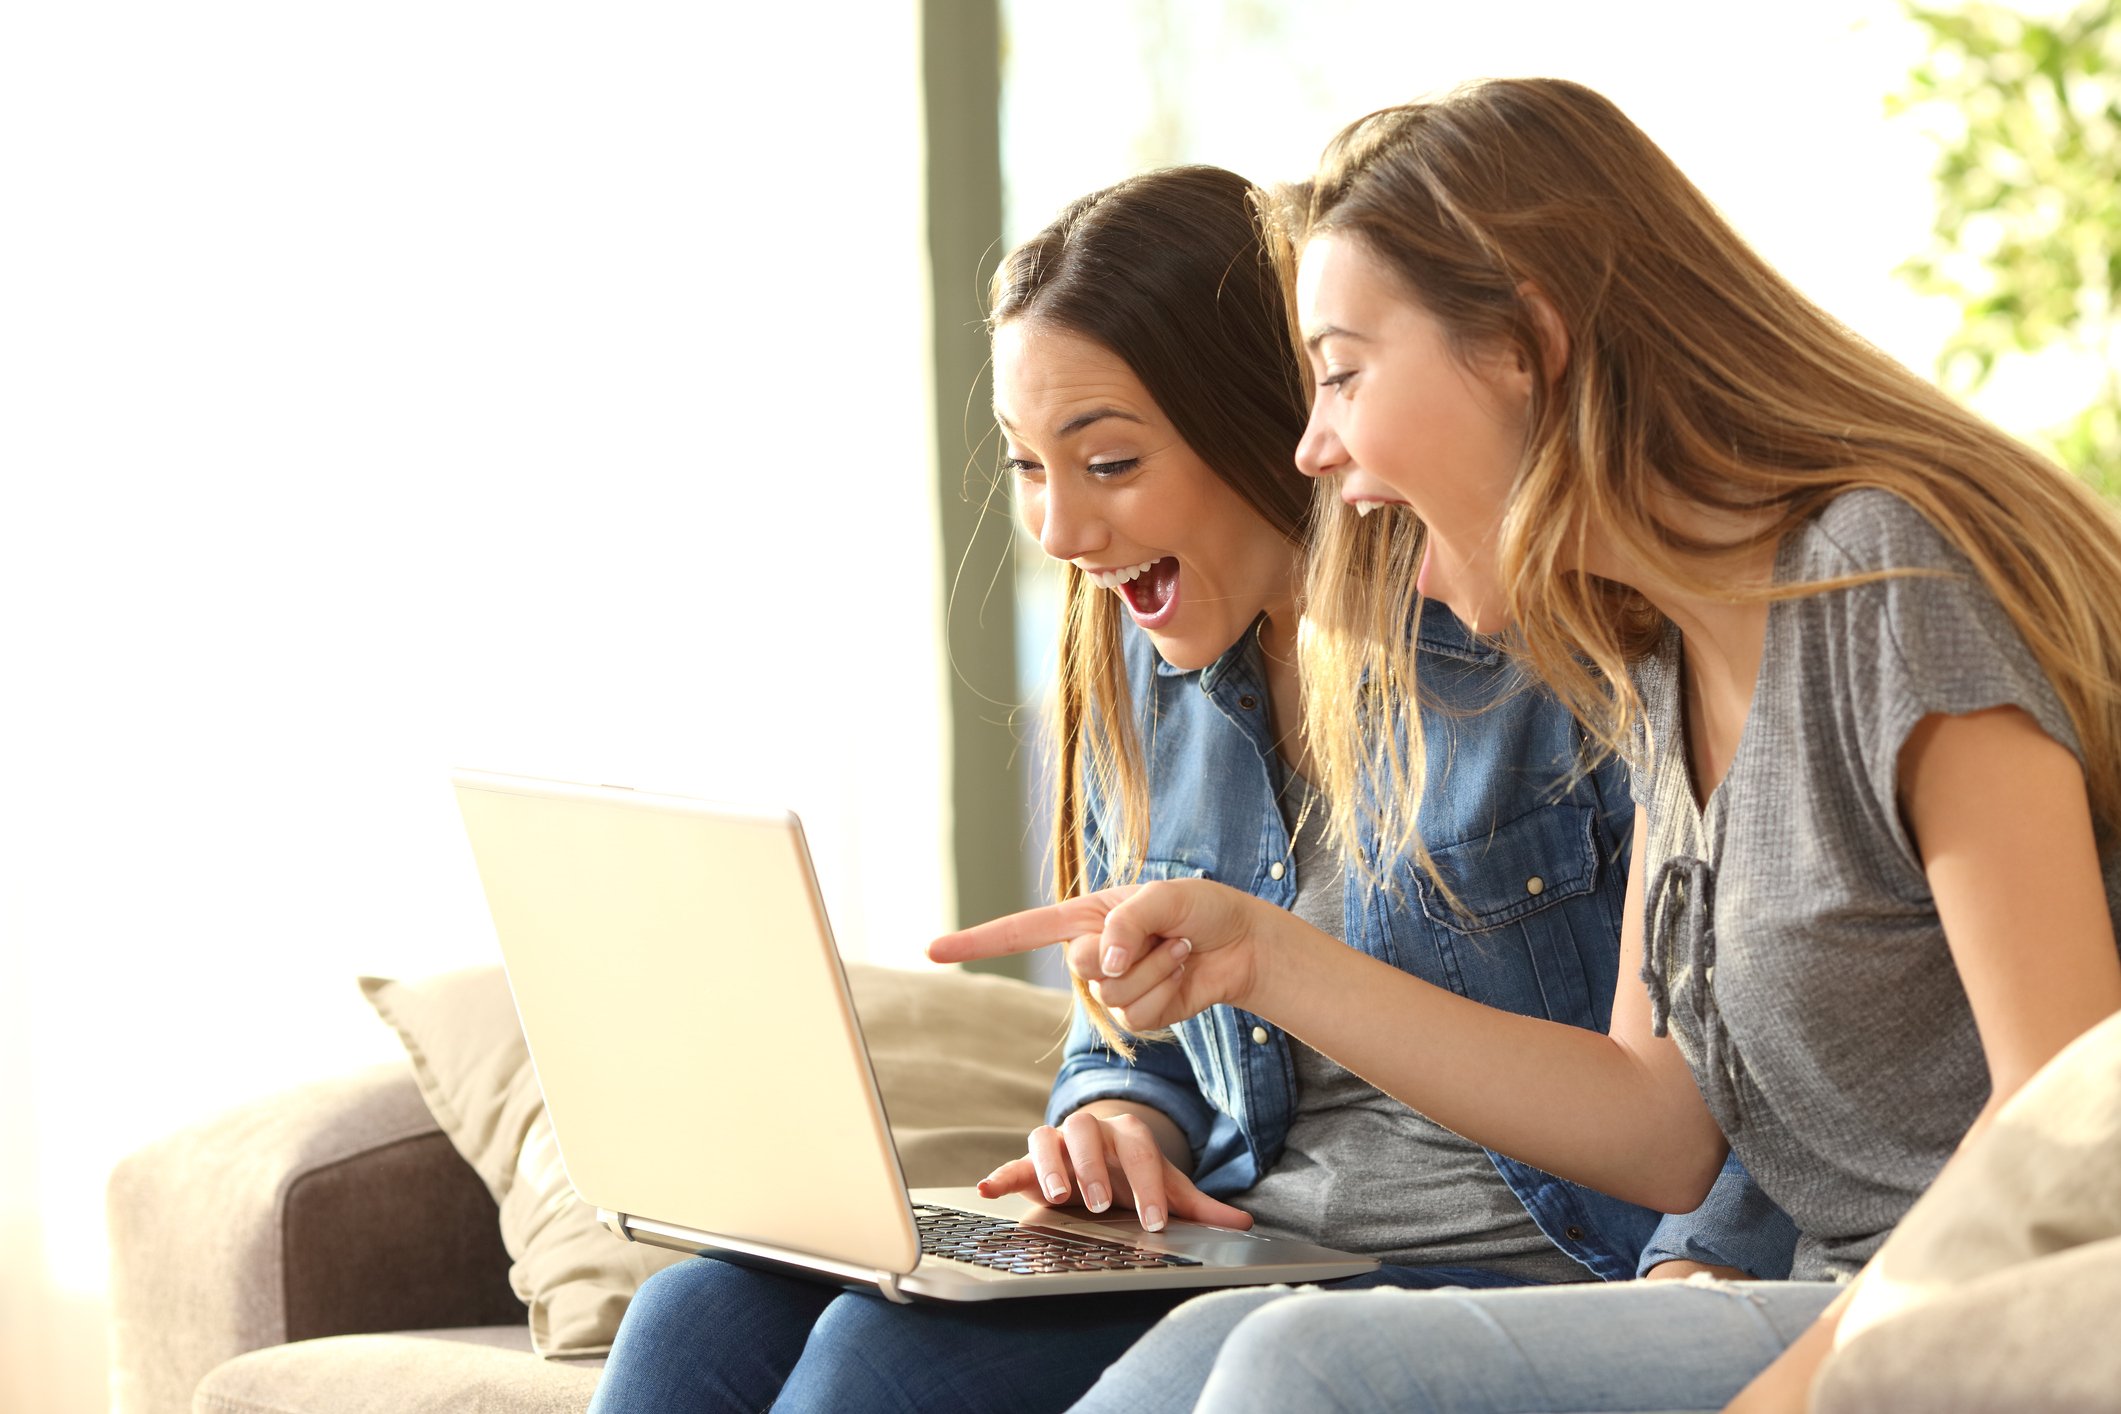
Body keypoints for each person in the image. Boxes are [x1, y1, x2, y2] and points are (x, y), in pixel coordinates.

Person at [933, 78, 2121, 1413]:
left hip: (1993, 1321)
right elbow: (1657, 1130)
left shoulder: (1879, 582)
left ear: (1521, 348)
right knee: (1201, 1353)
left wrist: (1774, 1395)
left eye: (1340, 373)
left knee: (1299, 1360)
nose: (1313, 447)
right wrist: (1259, 954)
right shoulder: (1663, 660)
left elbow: (2065, 1136)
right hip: (1836, 1302)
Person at [590, 164, 1789, 1414]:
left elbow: (1750, 1039)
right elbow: (1135, 1033)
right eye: (1026, 466)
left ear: (1268, 415)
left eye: (1107, 461)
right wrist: (1122, 1118)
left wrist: (1699, 1277)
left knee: (883, 1371)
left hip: (1507, 1269)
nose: (1057, 529)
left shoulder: (1535, 630)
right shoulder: (1148, 657)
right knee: (702, 1312)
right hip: (1247, 1244)